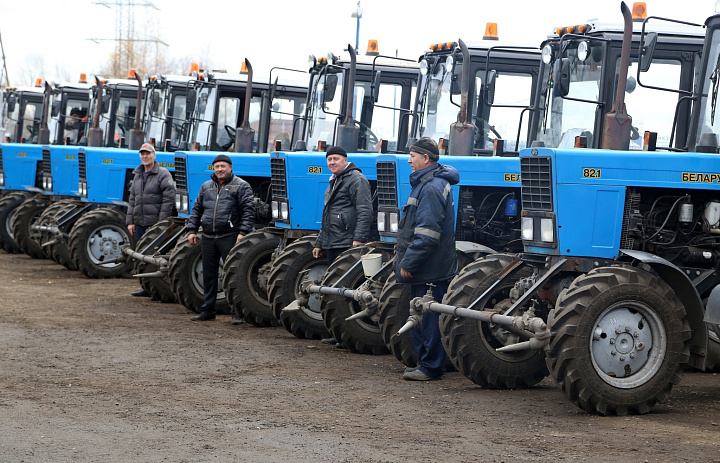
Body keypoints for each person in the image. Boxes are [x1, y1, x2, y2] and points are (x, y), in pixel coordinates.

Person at [393, 137, 459, 381]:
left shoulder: (431, 187)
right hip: (427, 265)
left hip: (429, 267)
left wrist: (409, 264)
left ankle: (431, 366)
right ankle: (426, 363)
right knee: (421, 314)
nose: (409, 160)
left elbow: (427, 234)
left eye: (413, 155)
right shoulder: (425, 184)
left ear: (426, 158)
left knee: (429, 316)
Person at [311, 145, 373, 346]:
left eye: (336, 159)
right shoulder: (334, 181)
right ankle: (336, 332)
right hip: (332, 242)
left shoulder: (357, 180)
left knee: (346, 291)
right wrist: (320, 242)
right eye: (329, 160)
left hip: (347, 242)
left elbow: (365, 211)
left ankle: (347, 334)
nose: (332, 163)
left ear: (345, 160)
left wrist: (358, 239)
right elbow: (327, 215)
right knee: (333, 289)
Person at [186, 154, 255, 323]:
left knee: (232, 275)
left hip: (229, 236)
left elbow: (248, 210)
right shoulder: (206, 187)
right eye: (217, 167)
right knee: (209, 275)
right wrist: (192, 230)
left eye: (223, 166)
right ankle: (208, 310)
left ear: (230, 167)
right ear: (213, 169)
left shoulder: (241, 186)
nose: (220, 169)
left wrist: (243, 232)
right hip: (208, 236)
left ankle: (237, 312)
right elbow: (197, 210)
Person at [126, 142, 176, 297]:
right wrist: (130, 221)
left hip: (155, 223)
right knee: (142, 255)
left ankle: (157, 288)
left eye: (148, 153)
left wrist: (161, 223)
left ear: (154, 155)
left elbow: (169, 200)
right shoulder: (138, 175)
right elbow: (132, 199)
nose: (145, 156)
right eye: (142, 154)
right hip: (140, 222)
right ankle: (146, 287)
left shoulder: (163, 174)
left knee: (155, 255)